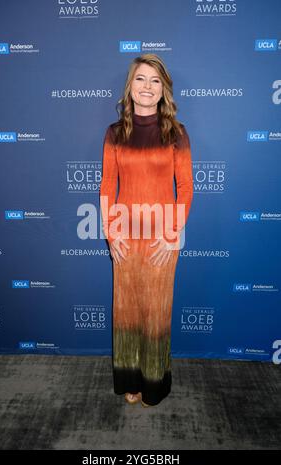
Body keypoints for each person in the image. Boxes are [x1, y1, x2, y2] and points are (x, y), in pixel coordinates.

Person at [99, 54, 194, 407]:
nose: (147, 87)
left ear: (163, 89)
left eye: (155, 81)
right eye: (141, 79)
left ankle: (154, 384)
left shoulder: (176, 133)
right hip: (125, 237)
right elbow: (108, 185)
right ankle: (131, 380)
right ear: (130, 86)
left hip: (161, 239)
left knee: (156, 313)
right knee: (127, 311)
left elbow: (185, 188)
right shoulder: (115, 133)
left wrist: (172, 233)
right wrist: (111, 233)